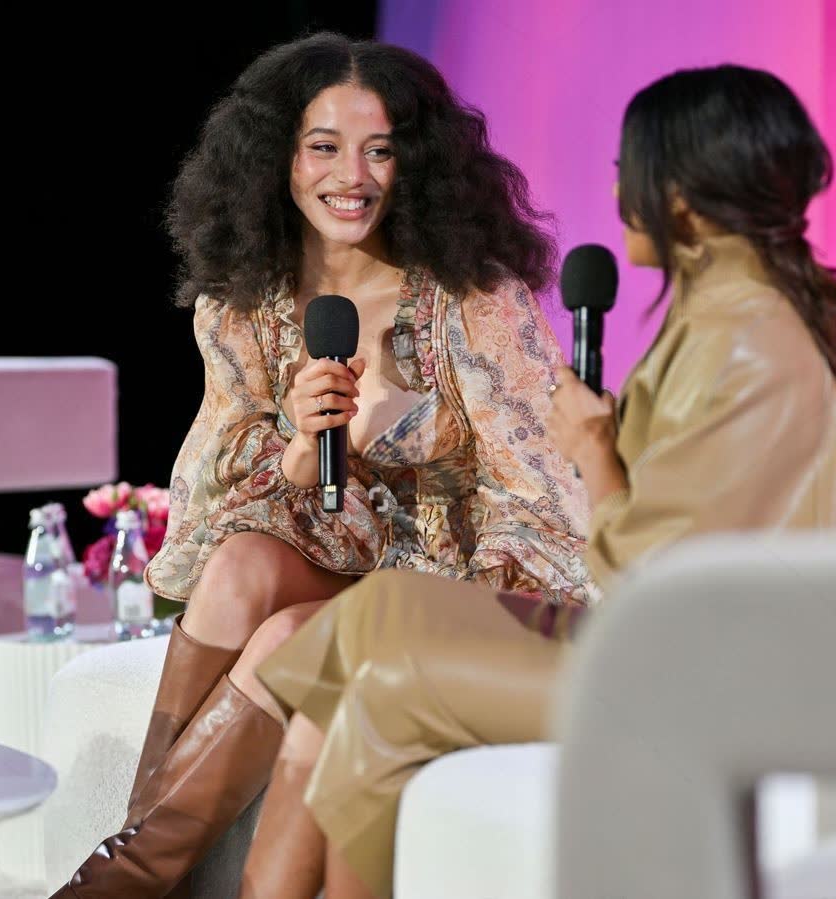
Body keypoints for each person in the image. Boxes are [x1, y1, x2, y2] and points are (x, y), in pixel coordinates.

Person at [240, 63, 836, 899]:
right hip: (661, 642)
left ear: (686, 197)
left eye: (631, 170)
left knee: (381, 695)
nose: (617, 189)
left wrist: (597, 455)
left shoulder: (755, 344)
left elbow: (668, 580)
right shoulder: (725, 312)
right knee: (375, 610)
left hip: (698, 675)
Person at [52, 32, 593, 898]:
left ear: (416, 161)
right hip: (343, 554)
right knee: (238, 568)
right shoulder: (245, 302)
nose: (354, 177)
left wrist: (413, 445)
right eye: (325, 147)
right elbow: (227, 491)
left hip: (458, 575)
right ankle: (133, 864)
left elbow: (541, 489)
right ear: (278, 156)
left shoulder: (470, 298)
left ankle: (119, 883)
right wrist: (304, 452)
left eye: (381, 150)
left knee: (283, 639)